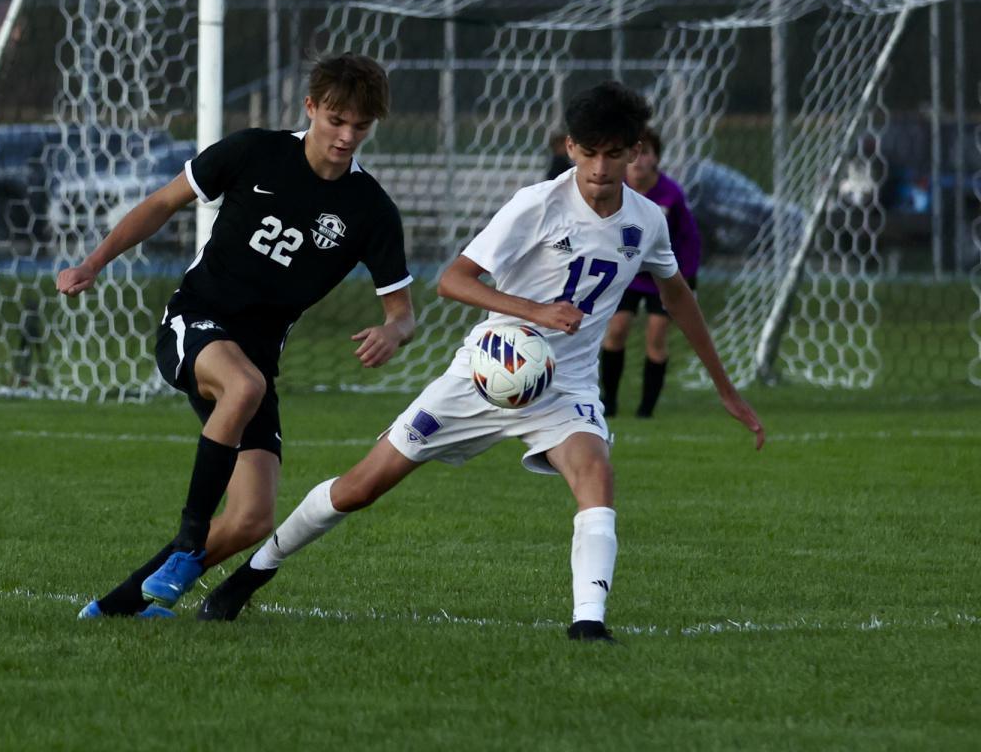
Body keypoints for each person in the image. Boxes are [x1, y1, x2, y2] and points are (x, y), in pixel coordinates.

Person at [196, 81, 765, 643]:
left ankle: (589, 624)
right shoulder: (536, 205)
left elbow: (678, 296)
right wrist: (535, 311)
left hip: (563, 386)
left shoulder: (647, 220)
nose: (599, 167)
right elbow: (453, 281)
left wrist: (726, 389)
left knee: (596, 475)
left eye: (613, 154)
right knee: (362, 487)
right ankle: (253, 573)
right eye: (588, 153)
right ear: (570, 147)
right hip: (485, 372)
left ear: (635, 151)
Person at [57, 53, 415, 619]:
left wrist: (394, 333)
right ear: (311, 108)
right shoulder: (255, 151)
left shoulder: (371, 211)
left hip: (255, 358)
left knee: (253, 518)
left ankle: (119, 606)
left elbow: (403, 310)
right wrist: (94, 262)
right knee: (242, 386)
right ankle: (186, 541)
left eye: (361, 126)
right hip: (194, 323)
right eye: (336, 120)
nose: (347, 136)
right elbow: (160, 203)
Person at [598, 126, 700, 418]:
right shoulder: (615, 189)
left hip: (662, 278)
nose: (640, 160)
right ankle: (610, 401)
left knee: (655, 335)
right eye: (636, 153)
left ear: (656, 158)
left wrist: (686, 276)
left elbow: (690, 239)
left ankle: (646, 410)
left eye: (647, 153)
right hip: (627, 275)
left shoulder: (670, 193)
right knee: (616, 331)